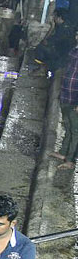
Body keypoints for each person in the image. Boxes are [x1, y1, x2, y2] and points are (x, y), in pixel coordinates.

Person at [53, 35, 78, 168]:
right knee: (68, 126)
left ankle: (71, 160)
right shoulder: (74, 50)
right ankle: (64, 153)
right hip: (66, 94)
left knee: (75, 130)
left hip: (75, 98)